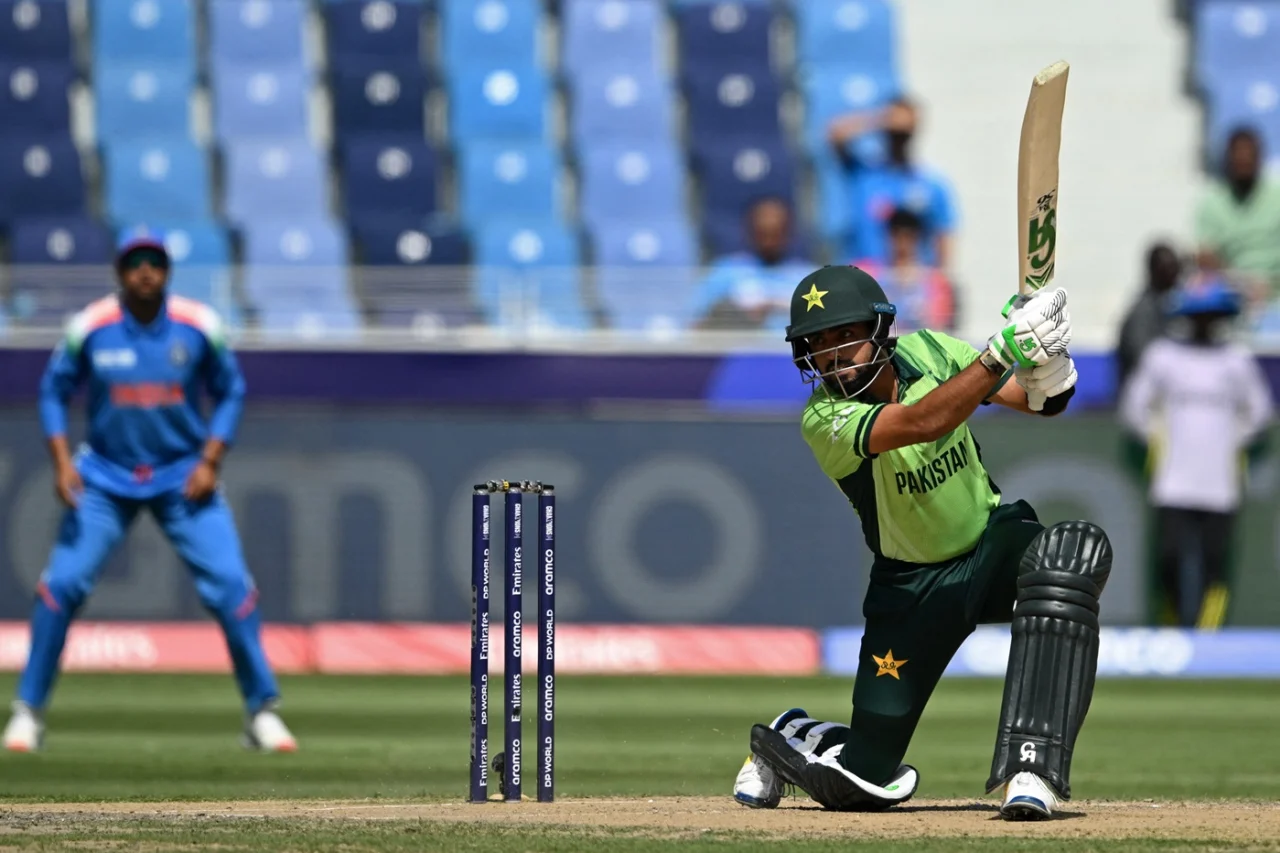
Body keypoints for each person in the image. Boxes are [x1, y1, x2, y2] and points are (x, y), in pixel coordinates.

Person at [732, 265, 1108, 820]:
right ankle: (793, 735)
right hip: (911, 588)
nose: (832, 355)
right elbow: (921, 422)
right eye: (817, 343)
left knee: (1069, 555)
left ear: (880, 328)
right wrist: (1004, 349)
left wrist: (1046, 363)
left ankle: (1033, 768)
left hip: (991, 545)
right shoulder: (824, 418)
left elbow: (1039, 403)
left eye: (845, 335)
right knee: (863, 782)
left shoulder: (931, 349)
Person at [2, 232, 298, 753]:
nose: (145, 272)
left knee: (231, 586)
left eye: (155, 263)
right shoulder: (90, 326)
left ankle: (261, 713)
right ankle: (28, 712)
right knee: (61, 585)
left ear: (167, 271)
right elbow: (52, 390)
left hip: (182, 477)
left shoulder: (198, 324)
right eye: (135, 263)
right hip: (105, 477)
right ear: (119, 272)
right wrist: (61, 461)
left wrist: (210, 460)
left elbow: (231, 390)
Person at [1120, 281, 1272, 629]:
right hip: (1173, 481)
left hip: (1220, 483)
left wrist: (1234, 439)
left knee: (1215, 560)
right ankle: (1171, 627)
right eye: (1198, 316)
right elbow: (1134, 408)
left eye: (1212, 316)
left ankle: (1209, 634)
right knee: (1169, 557)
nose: (1205, 323)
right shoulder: (1163, 356)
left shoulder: (1236, 359)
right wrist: (1156, 438)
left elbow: (1259, 411)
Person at [827, 98, 957, 269]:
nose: (898, 140)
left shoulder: (931, 185)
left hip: (910, 280)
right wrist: (880, 119)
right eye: (893, 134)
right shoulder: (865, 174)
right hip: (864, 276)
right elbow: (835, 135)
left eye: (903, 134)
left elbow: (944, 235)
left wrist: (940, 276)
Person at [693, 197, 814, 333]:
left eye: (775, 233)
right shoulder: (725, 272)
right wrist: (736, 315)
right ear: (750, 231)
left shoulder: (808, 278)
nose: (769, 243)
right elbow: (695, 324)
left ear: (789, 232)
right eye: (763, 234)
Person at [1195, 127, 1280, 303]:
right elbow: (1205, 254)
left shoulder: (1276, 196)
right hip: (1233, 295)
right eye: (1239, 160)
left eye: (1249, 158)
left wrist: (1270, 286)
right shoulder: (1213, 203)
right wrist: (1241, 284)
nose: (1244, 162)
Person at [853, 208, 956, 333]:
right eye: (896, 235)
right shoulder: (870, 274)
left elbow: (939, 325)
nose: (902, 242)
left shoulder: (934, 281)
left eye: (908, 236)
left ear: (918, 239)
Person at [1116, 242, 1183, 392]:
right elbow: (1144, 360)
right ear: (1154, 270)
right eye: (1169, 267)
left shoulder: (1172, 305)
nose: (1175, 273)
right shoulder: (1142, 314)